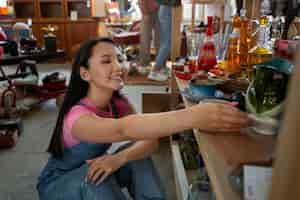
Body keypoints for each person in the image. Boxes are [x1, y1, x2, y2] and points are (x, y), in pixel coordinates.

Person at [37, 38, 249, 200]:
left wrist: (119, 158)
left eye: (120, 59)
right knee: (94, 178)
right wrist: (194, 115)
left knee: (134, 157)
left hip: (89, 166)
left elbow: (149, 139)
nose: (119, 67)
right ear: (85, 74)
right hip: (58, 184)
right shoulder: (77, 117)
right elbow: (123, 130)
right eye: (106, 61)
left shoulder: (118, 102)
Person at [147, 0, 181, 81]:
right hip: (167, 9)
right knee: (168, 43)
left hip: (166, 8)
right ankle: (155, 71)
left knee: (165, 42)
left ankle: (161, 68)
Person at [138, 0, 160, 75]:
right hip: (147, 10)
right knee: (145, 39)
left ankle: (160, 64)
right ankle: (144, 64)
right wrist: (145, 12)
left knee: (159, 40)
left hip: (160, 10)